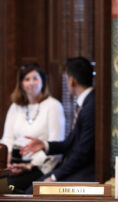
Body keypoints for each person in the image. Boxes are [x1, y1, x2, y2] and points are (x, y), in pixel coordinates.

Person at [21, 56, 95, 193]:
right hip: (73, 167)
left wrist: (55, 177)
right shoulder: (86, 103)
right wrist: (45, 145)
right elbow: (70, 143)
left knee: (33, 191)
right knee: (29, 189)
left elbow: (82, 153)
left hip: (86, 172)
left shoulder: (91, 106)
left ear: (72, 81)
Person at [1, 64, 65, 193]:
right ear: (21, 84)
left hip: (38, 166)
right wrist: (6, 164)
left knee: (6, 188)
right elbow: (7, 138)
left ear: (42, 81)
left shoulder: (53, 106)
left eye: (35, 78)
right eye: (27, 79)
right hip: (12, 164)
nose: (31, 83)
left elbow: (56, 143)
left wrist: (29, 165)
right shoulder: (15, 106)